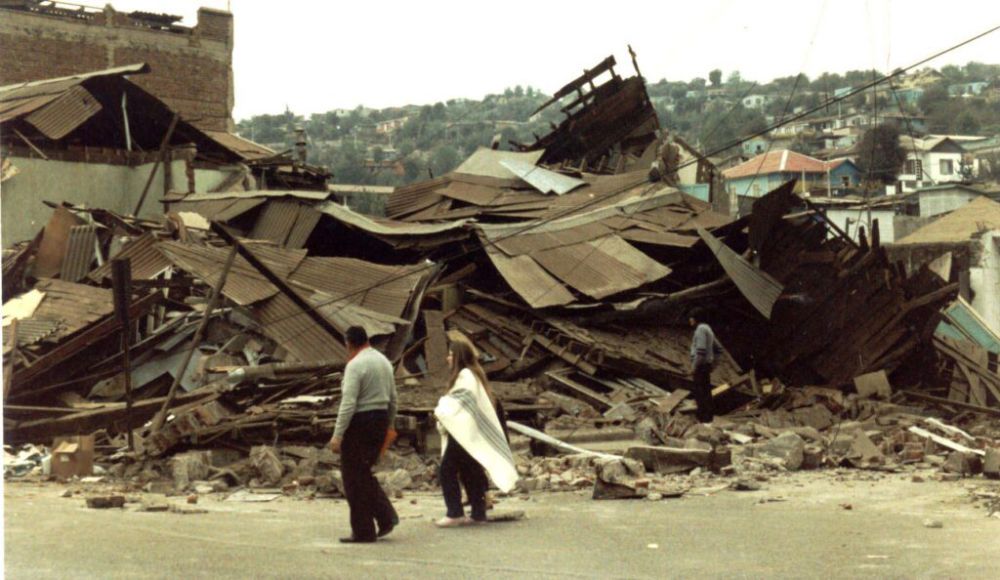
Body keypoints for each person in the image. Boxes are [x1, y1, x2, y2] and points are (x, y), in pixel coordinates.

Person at [433, 339, 517, 527]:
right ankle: (478, 514)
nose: (447, 358)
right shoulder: (473, 375)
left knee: (447, 470)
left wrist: (441, 408)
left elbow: (459, 402)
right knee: (469, 468)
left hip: (462, 431)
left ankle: (455, 513)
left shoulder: (466, 376)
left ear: (458, 357)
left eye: (450, 355)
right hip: (467, 431)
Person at [328, 326, 399, 543]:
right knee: (363, 473)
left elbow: (348, 403)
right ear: (367, 340)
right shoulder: (384, 362)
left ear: (348, 343)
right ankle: (386, 516)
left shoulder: (355, 365)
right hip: (380, 419)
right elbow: (393, 398)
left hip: (360, 422)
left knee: (352, 478)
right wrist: (389, 424)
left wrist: (337, 434)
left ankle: (363, 531)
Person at [689, 308, 722, 424]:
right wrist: (713, 365)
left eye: (691, 318)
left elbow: (701, 351)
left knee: (700, 393)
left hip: (700, 366)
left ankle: (703, 419)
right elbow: (719, 349)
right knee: (706, 392)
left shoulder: (700, 330)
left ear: (696, 319)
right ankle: (708, 419)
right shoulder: (708, 329)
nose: (690, 320)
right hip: (706, 366)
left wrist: (694, 367)